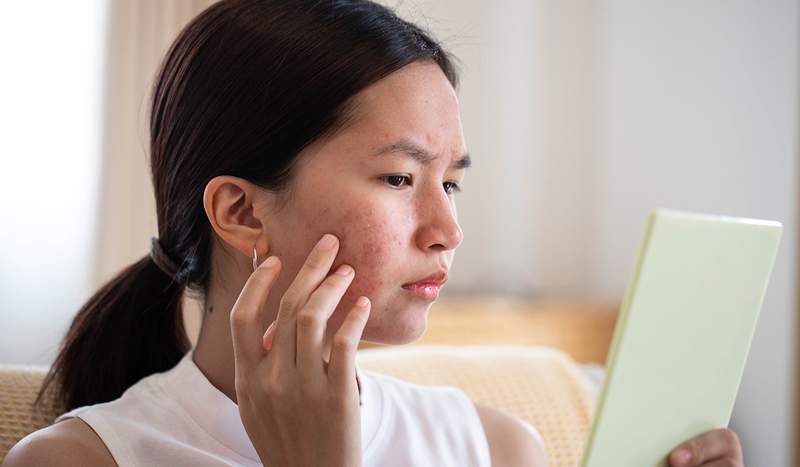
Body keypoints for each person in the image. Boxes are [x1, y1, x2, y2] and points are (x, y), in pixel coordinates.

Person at [3, 1, 744, 466]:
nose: (448, 227)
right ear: (241, 211)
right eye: (399, 178)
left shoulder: (496, 447)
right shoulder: (79, 460)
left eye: (450, 180)